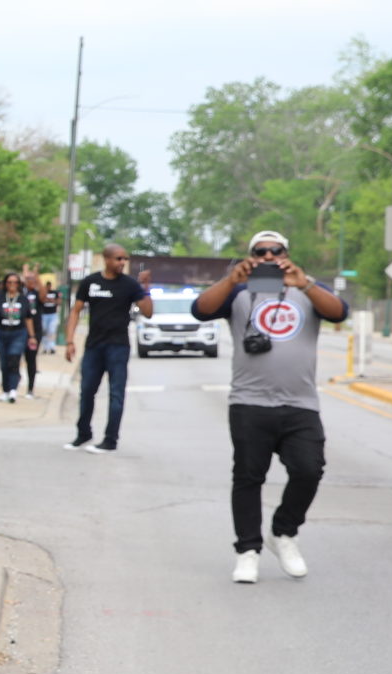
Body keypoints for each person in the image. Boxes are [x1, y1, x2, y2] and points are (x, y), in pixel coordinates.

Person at [191, 231, 346, 582]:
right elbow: (200, 310)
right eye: (260, 252)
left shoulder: (307, 289)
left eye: (276, 251)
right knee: (248, 476)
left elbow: (339, 313)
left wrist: (304, 284)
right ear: (250, 256)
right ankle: (248, 551)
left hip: (300, 403)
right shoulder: (238, 291)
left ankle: (283, 531)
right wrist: (232, 279)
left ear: (287, 254)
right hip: (250, 402)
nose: (268, 256)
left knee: (309, 469)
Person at [65, 244, 154, 452]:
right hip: (94, 346)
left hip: (118, 347)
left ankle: (110, 440)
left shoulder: (130, 285)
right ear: (106, 259)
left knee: (116, 394)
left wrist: (145, 288)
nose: (122, 262)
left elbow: (148, 312)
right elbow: (76, 311)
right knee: (87, 391)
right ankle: (83, 434)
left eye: (125, 259)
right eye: (118, 258)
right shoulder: (91, 282)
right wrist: (70, 341)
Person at [0, 271, 41, 403]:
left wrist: (32, 336)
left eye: (15, 282)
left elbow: (28, 318)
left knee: (14, 359)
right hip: (2, 332)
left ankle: (13, 389)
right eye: (9, 282)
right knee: (4, 362)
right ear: (5, 283)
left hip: (18, 333)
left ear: (19, 284)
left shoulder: (23, 298)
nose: (12, 285)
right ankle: (5, 390)